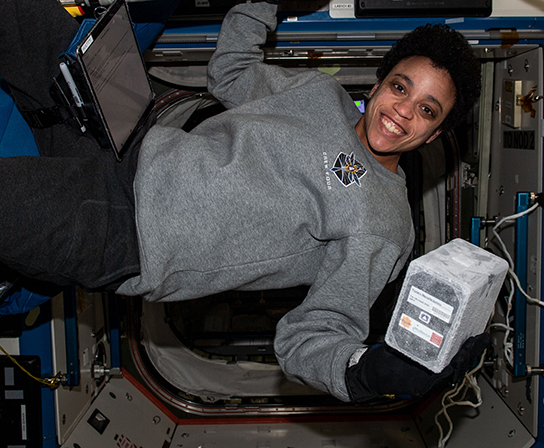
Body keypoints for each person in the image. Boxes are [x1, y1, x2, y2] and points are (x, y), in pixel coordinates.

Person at [0, 0, 486, 403]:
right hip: (130, 135)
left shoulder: (382, 223)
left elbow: (313, 334)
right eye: (400, 87)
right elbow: (231, 73)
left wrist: (362, 371)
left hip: (129, 232)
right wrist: (267, 2)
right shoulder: (322, 94)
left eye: (426, 110)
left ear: (434, 134)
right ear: (378, 82)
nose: (403, 111)